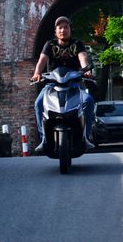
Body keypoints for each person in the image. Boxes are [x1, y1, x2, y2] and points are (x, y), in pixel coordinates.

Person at [32, 15, 96, 152]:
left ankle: (87, 136)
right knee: (38, 103)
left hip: (74, 85)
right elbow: (42, 61)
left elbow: (83, 57)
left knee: (89, 101)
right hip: (52, 85)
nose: (63, 30)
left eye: (66, 27)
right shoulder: (49, 45)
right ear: (55, 31)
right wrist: (37, 73)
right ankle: (43, 139)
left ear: (70, 30)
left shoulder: (77, 44)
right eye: (60, 28)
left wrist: (86, 70)